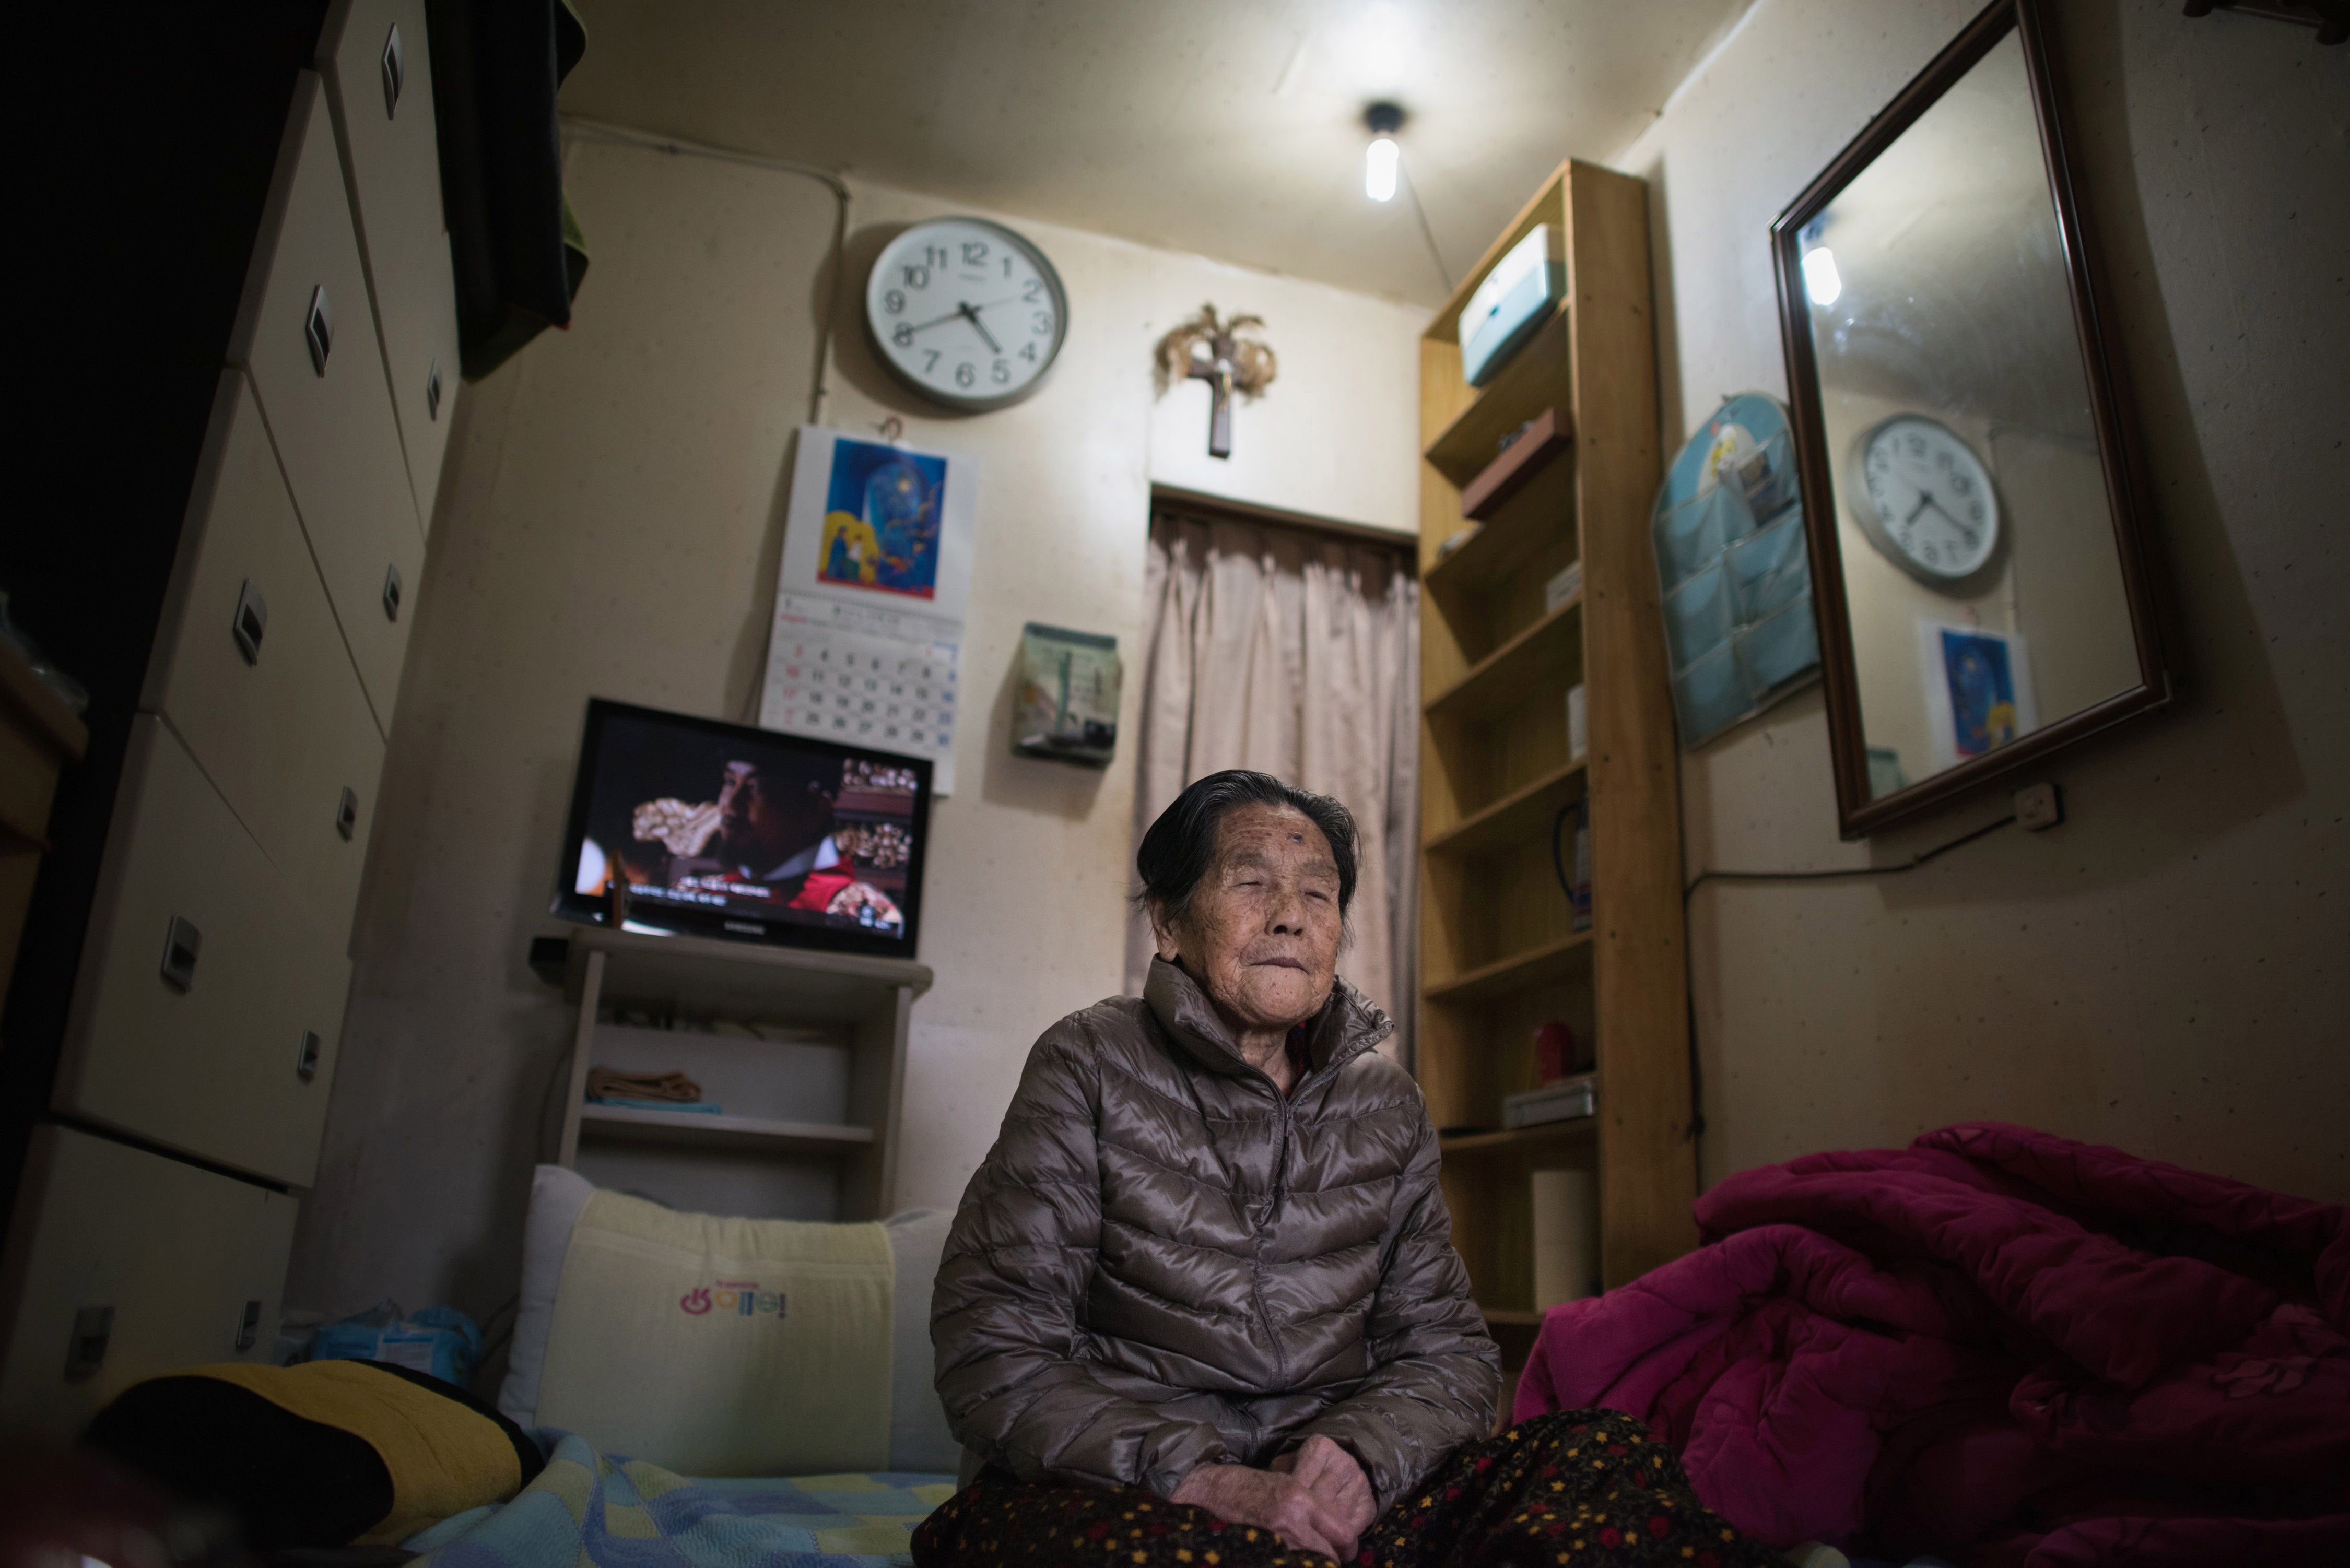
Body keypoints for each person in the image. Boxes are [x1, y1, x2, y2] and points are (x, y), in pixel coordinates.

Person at [918, 770, 1773, 1567]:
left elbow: (1448, 1353)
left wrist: (1363, 1457)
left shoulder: (1386, 1106)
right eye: (1251, 883)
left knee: (1604, 1454)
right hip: (1137, 1494)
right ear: (1169, 923)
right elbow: (993, 1348)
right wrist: (1203, 1479)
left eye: (1319, 895)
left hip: (1331, 1499)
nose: (1290, 917)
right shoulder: (1090, 1063)